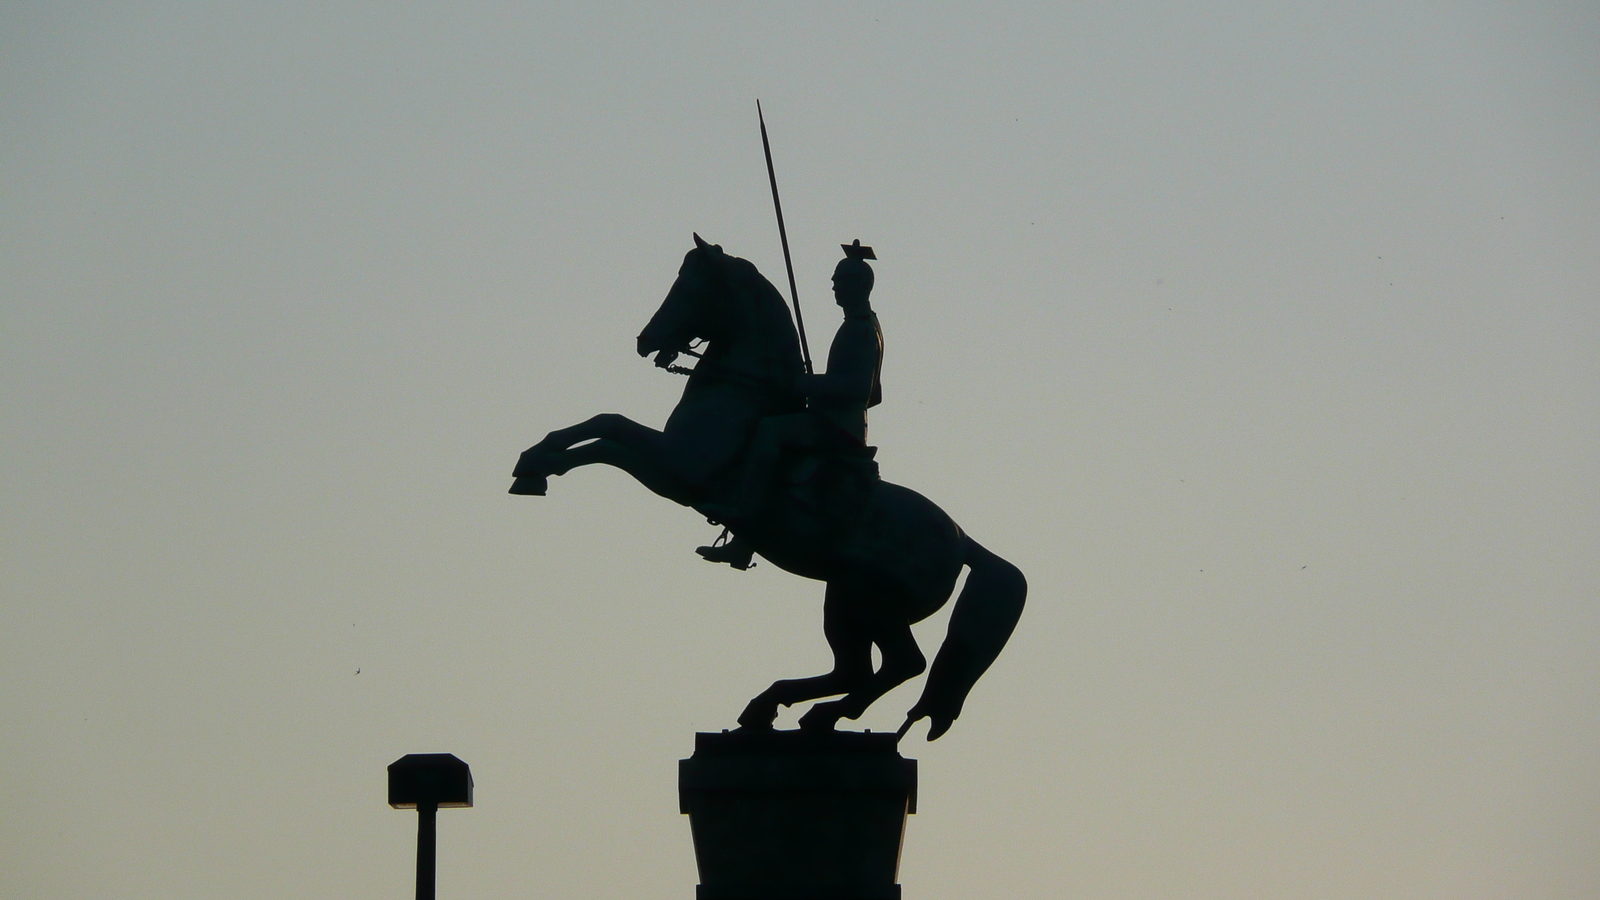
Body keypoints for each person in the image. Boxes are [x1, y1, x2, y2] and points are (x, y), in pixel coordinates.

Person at [697, 241, 884, 569]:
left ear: (858, 285)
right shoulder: (865, 324)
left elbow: (859, 389)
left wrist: (804, 383)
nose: (833, 285)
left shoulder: (861, 329)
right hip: (835, 420)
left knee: (770, 431)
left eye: (839, 280)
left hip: (839, 428)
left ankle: (743, 523)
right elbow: (872, 392)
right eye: (835, 279)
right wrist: (816, 384)